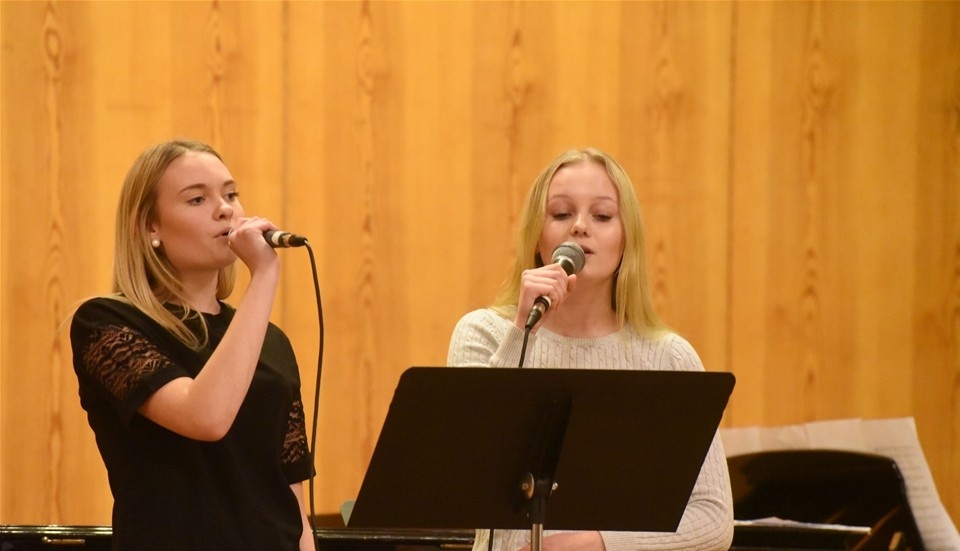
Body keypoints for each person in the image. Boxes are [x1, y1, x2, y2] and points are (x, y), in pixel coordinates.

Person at [447, 148, 733, 551]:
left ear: (626, 236)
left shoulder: (670, 358)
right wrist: (522, 332)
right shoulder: (484, 334)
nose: (580, 227)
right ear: (536, 234)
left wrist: (593, 544)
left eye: (602, 216)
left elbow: (713, 519)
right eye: (561, 214)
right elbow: (472, 478)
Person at [70, 139, 316, 551]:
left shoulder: (270, 341)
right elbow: (206, 417)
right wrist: (265, 277)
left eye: (231, 194)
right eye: (197, 199)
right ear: (149, 228)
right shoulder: (105, 322)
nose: (226, 209)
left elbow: (291, 502)